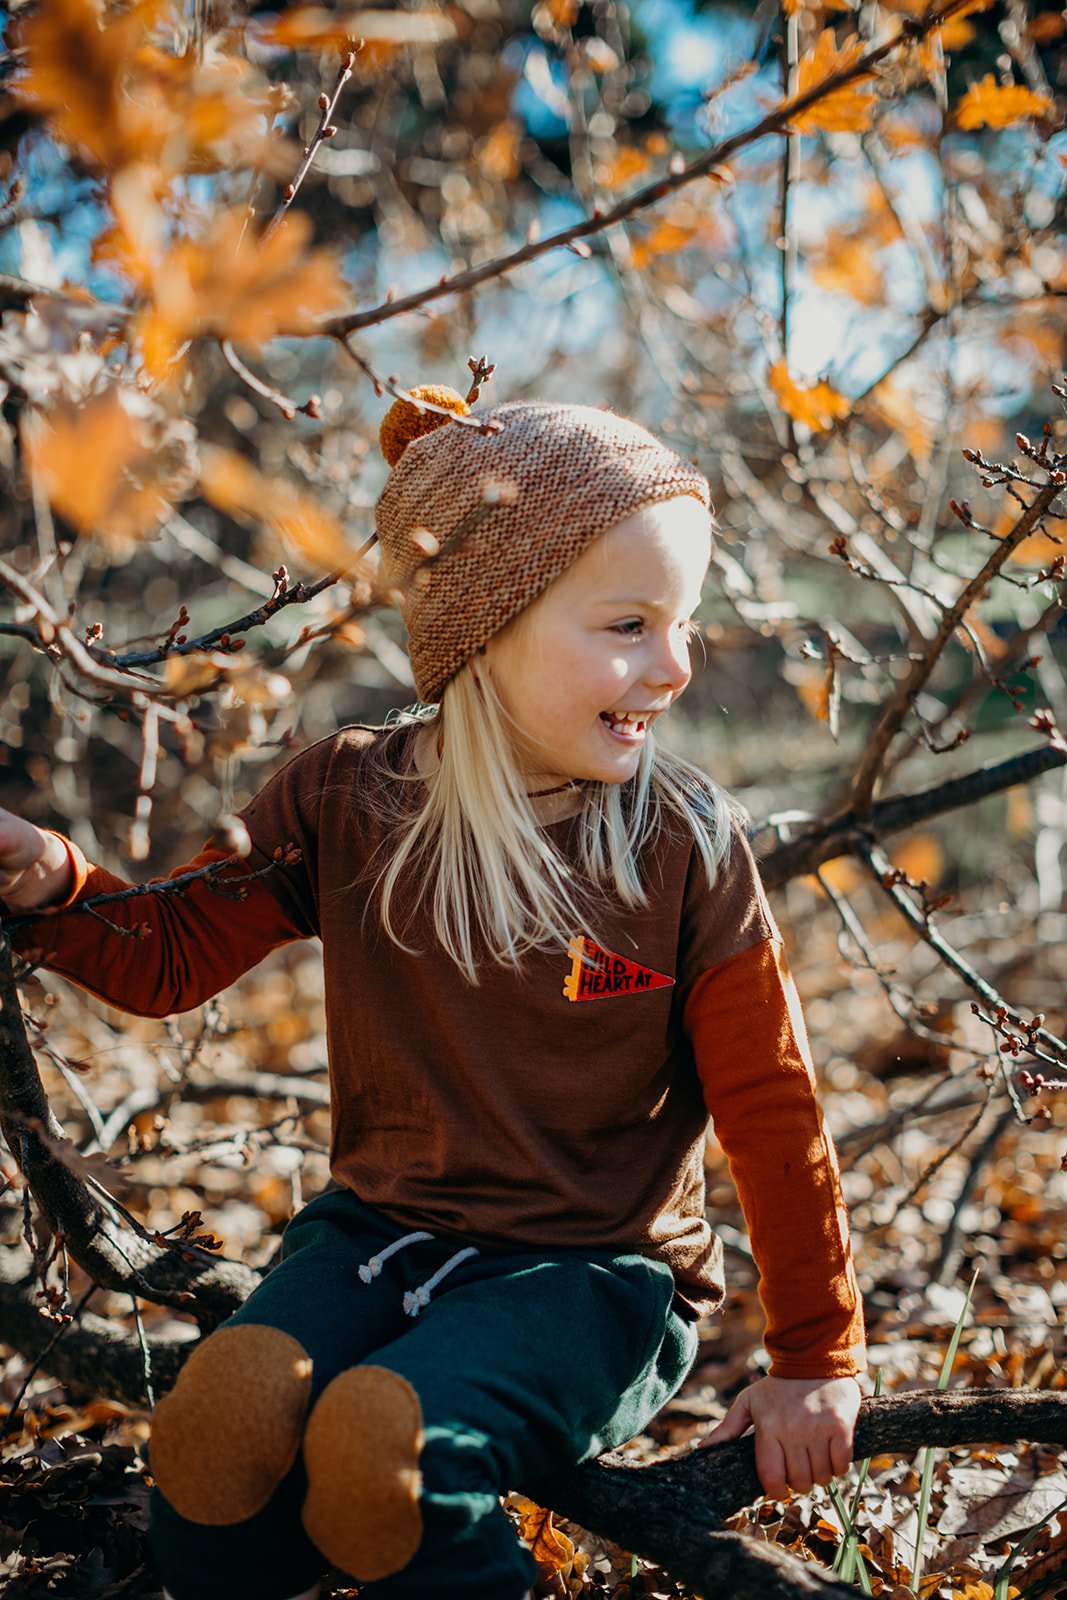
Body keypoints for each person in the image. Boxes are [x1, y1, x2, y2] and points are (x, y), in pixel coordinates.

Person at [1, 389, 865, 1600]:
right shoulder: (345, 799)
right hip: (377, 1235)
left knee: (384, 1445)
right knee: (212, 1440)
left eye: (682, 623)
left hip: (595, 1273)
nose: (672, 665)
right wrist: (58, 881)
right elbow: (170, 956)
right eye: (628, 623)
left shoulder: (680, 843)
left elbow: (771, 1109)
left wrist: (813, 1355)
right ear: (487, 623)